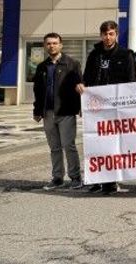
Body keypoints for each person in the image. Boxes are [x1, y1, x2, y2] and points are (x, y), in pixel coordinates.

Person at [77, 20, 136, 195]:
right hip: (95, 108)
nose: (108, 37)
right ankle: (96, 179)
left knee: (113, 145)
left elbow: (131, 82)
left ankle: (110, 182)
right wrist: (82, 92)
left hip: (116, 107)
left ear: (116, 34)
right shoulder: (94, 55)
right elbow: (86, 79)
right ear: (101, 35)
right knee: (95, 143)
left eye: (111, 34)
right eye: (105, 34)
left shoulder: (126, 55)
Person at [33, 33, 84, 191]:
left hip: (66, 112)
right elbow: (38, 90)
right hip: (48, 113)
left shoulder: (72, 64)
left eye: (55, 43)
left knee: (69, 145)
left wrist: (81, 107)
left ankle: (75, 178)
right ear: (44, 46)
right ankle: (57, 178)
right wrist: (37, 110)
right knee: (54, 147)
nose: (52, 46)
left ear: (61, 45)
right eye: (48, 43)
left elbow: (80, 87)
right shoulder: (42, 67)